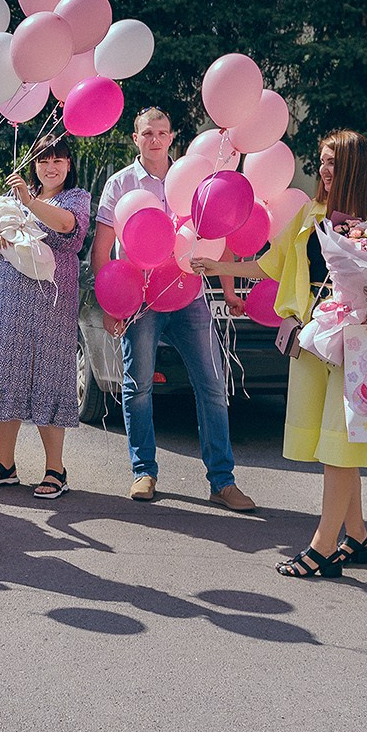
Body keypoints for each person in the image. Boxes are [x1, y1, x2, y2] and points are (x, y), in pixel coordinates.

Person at [198, 130, 367, 578]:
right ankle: (359, 537)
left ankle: (323, 548)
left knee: (340, 446)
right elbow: (273, 262)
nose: (325, 171)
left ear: (354, 167)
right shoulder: (313, 214)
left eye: (333, 163)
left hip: (362, 344)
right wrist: (220, 267)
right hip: (314, 337)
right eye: (322, 162)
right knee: (332, 443)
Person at [91, 108, 257, 513]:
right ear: (135, 138)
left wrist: (230, 290)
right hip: (141, 301)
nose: (155, 139)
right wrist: (108, 303)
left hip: (191, 296)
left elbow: (219, 232)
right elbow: (101, 249)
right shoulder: (120, 183)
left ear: (171, 137)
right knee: (138, 387)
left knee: (213, 387)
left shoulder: (195, 177)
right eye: (147, 133)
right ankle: (143, 471)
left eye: (162, 133)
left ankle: (222, 481)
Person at [0, 136, 93, 499]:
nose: (50, 167)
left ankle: (56, 469)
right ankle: (4, 463)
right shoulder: (16, 196)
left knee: (49, 374)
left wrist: (29, 201)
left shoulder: (75, 197)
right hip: (6, 298)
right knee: (7, 371)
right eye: (43, 160)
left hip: (50, 305)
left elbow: (68, 225)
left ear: (69, 164)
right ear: (34, 164)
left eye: (57, 160)